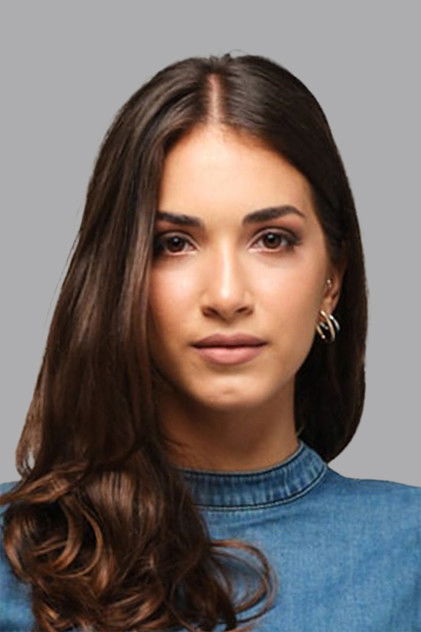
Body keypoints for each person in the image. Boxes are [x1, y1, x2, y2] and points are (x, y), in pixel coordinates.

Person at [0, 52, 419, 632]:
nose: (226, 295)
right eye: (174, 243)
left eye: (272, 239)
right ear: (122, 275)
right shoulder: (15, 556)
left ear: (332, 280)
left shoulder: (408, 550)